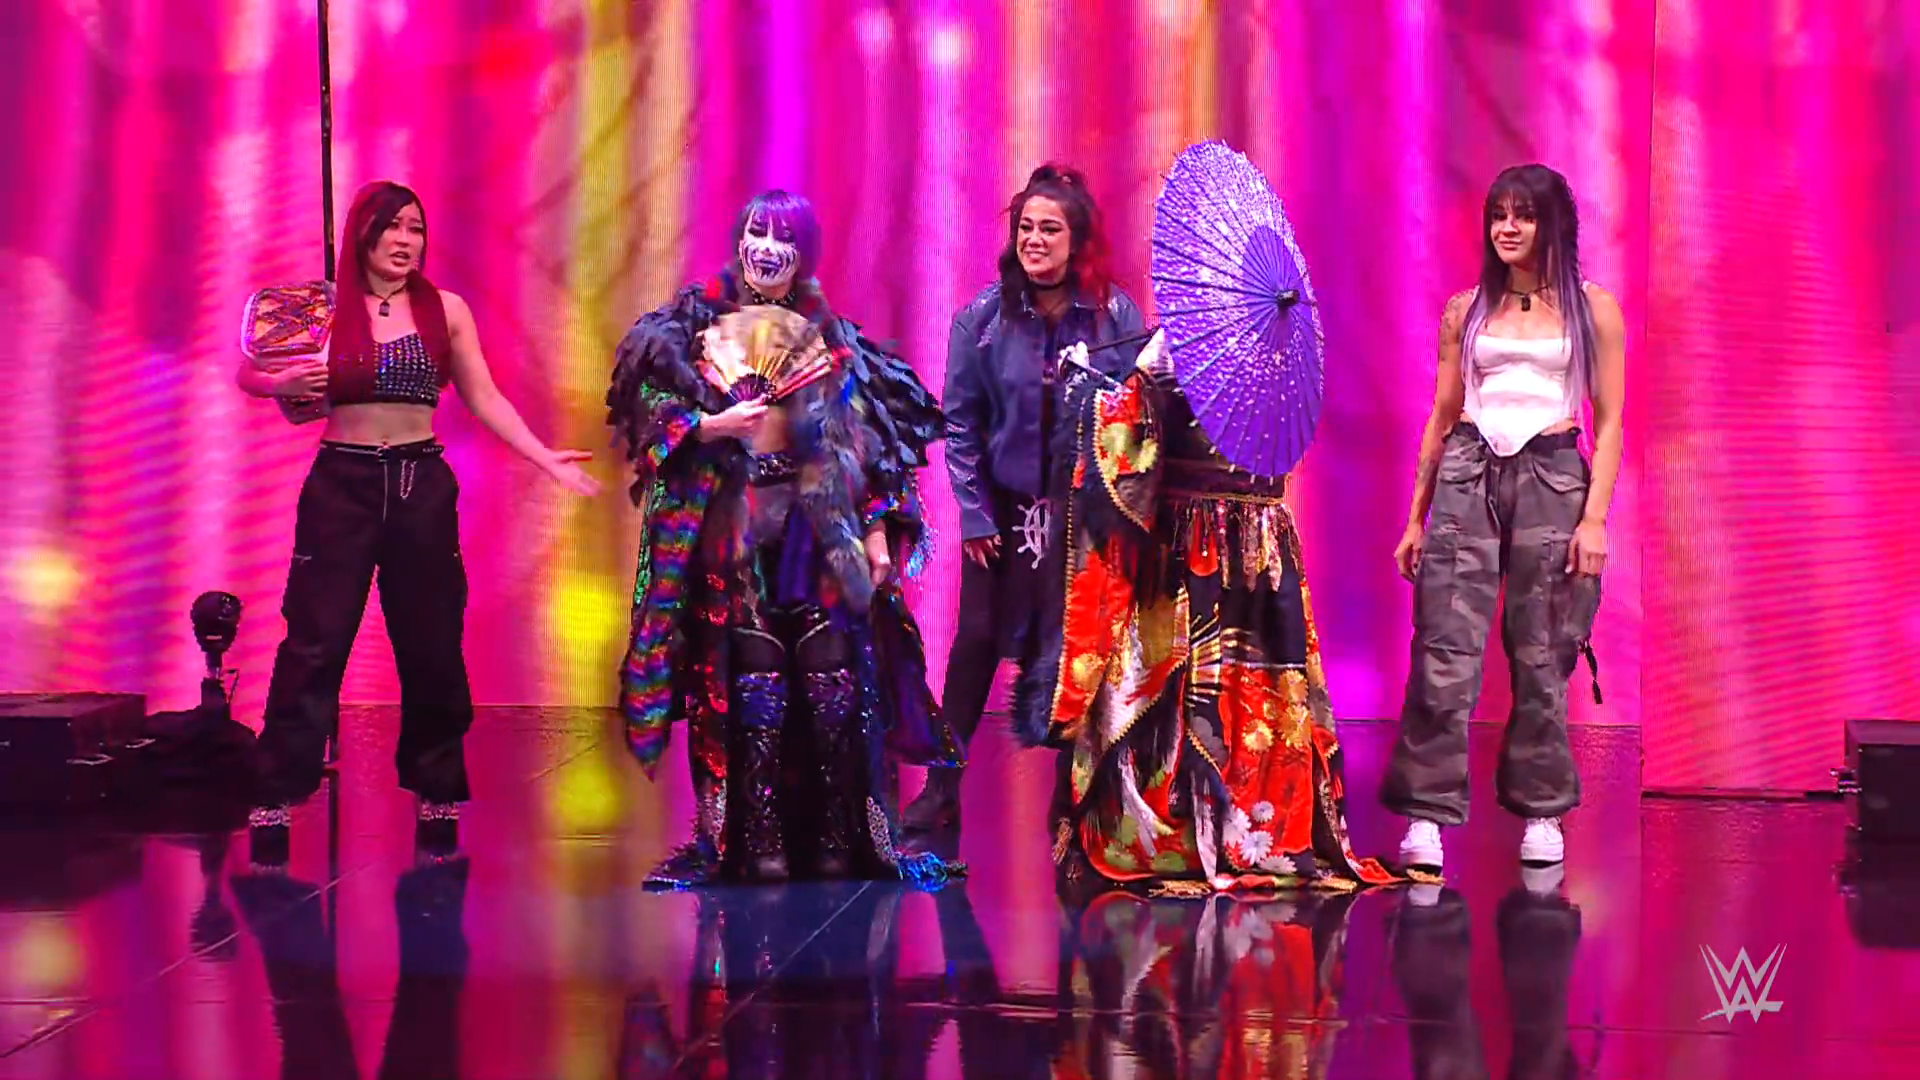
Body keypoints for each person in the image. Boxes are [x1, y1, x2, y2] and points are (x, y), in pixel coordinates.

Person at [608, 189, 963, 888]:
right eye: (757, 232)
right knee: (753, 677)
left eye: (784, 238)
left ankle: (836, 834)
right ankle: (757, 837)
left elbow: (875, 450)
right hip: (733, 528)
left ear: (804, 254)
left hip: (814, 528)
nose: (767, 249)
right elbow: (647, 410)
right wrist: (708, 427)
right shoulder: (689, 327)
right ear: (739, 240)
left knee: (833, 677)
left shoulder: (834, 340)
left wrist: (878, 531)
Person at [236, 180, 599, 857]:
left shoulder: (445, 309)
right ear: (362, 234)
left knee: (431, 642)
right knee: (314, 642)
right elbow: (250, 372)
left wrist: (543, 457)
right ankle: (276, 791)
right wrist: (279, 384)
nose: (405, 241)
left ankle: (436, 786)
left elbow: (484, 396)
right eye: (392, 227)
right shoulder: (324, 306)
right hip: (341, 485)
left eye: (415, 228)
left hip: (418, 485)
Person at [1020, 331, 1409, 896]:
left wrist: (1084, 387)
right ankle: (1258, 825)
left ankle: (1176, 828)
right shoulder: (1287, 352)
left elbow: (1132, 431)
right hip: (1262, 539)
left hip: (1193, 537)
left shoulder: (1182, 342)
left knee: (1177, 684)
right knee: (1260, 694)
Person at [1380, 163, 1624, 872]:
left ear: (1553, 224)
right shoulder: (1468, 309)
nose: (1508, 228)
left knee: (1543, 648)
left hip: (1552, 475)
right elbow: (1442, 414)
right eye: (1498, 215)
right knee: (1444, 647)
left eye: (1524, 214)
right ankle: (1426, 815)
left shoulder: (1592, 308)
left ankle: (1542, 809)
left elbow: (1610, 422)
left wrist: (1595, 520)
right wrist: (1416, 517)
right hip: (1469, 472)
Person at [900, 164, 1146, 837]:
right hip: (1004, 514)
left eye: (1050, 229)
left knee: (1078, 647)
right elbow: (961, 422)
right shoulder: (982, 319)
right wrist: (975, 515)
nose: (1034, 240)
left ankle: (1078, 793)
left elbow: (1136, 414)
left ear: (1079, 239)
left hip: (1083, 517)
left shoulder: (1117, 318)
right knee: (976, 642)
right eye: (1026, 227)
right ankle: (942, 787)